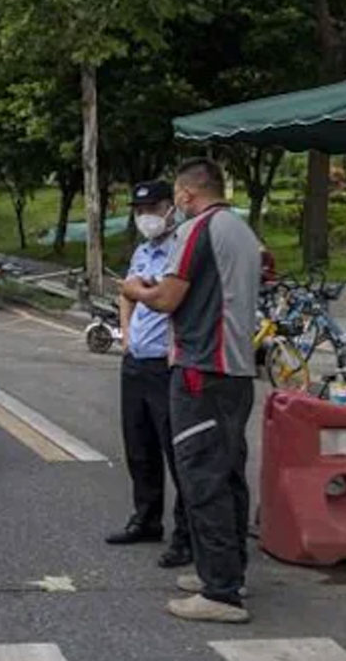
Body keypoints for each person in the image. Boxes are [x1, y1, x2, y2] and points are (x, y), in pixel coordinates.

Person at [122, 158, 260, 624]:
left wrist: (136, 290)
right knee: (229, 474)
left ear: (185, 195)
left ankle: (220, 592)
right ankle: (226, 572)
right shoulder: (241, 230)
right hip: (237, 370)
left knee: (202, 476)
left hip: (202, 367)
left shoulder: (198, 229)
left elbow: (167, 298)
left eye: (177, 197)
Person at [107, 181, 192, 571]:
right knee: (139, 447)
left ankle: (186, 535)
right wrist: (126, 336)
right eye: (140, 210)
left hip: (165, 364)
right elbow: (126, 292)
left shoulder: (182, 250)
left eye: (154, 208)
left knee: (177, 452)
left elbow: (168, 299)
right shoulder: (144, 251)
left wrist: (141, 293)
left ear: (171, 208)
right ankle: (146, 518)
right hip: (136, 361)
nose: (147, 217)